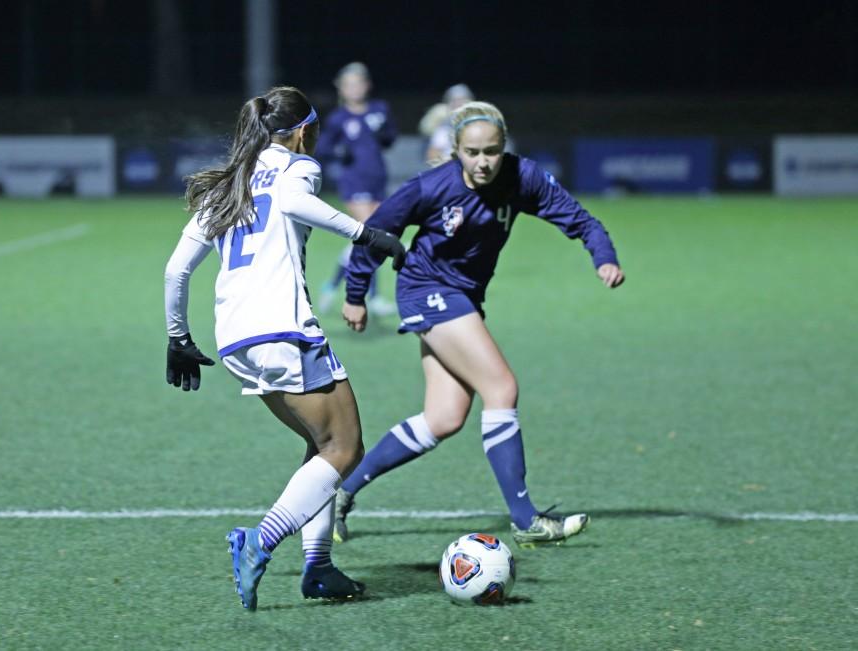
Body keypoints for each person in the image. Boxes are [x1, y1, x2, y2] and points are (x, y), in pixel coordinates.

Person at [337, 101, 625, 548]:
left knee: (444, 417)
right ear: (455, 150)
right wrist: (356, 294)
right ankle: (526, 518)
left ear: (503, 147)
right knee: (501, 388)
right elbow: (374, 231)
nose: (483, 162)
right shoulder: (431, 186)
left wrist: (603, 257)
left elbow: (582, 221)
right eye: (472, 152)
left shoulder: (522, 177)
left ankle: (341, 492)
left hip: (463, 296)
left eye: (491, 151)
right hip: (426, 289)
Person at [163, 86, 405, 610]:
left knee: (321, 446)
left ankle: (318, 568)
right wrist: (369, 236)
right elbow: (296, 203)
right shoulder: (298, 167)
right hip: (284, 330)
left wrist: (178, 338)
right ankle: (261, 541)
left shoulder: (228, 182)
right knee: (345, 448)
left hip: (235, 339)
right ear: (299, 131)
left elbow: (176, 269)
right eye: (311, 129)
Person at [314, 62, 398, 317]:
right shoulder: (338, 118)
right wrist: (341, 151)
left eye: (359, 83)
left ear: (367, 86)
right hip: (354, 183)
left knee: (366, 238)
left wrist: (383, 132)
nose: (355, 89)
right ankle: (373, 297)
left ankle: (331, 284)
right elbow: (323, 149)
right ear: (341, 88)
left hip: (378, 180)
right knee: (371, 236)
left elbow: (390, 139)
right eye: (349, 84)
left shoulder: (379, 109)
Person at [419, 83, 475, 164]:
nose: (459, 104)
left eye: (463, 100)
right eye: (455, 101)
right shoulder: (443, 129)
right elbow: (433, 154)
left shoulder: (480, 125)